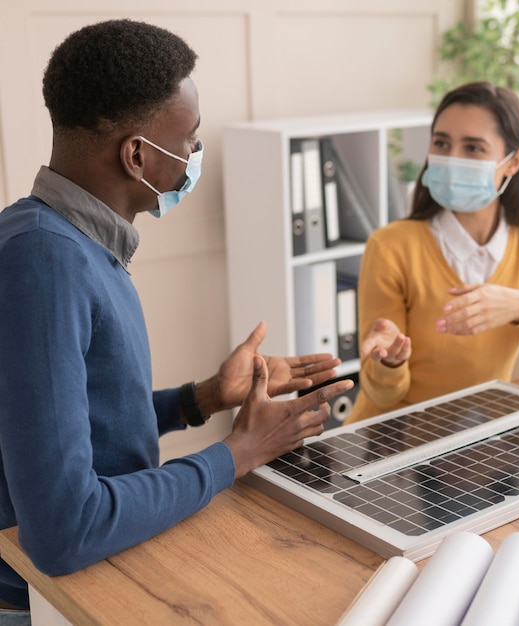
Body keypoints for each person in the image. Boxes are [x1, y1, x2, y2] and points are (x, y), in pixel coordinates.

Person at [0, 19, 354, 617]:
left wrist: (206, 397)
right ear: (136, 154)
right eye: (189, 138)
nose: (195, 153)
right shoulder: (46, 262)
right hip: (50, 602)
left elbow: (82, 424)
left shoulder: (67, 243)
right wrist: (238, 453)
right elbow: (65, 531)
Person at [345, 81, 519, 424]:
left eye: (473, 148)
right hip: (387, 442)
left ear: (513, 162)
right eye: (442, 143)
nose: (451, 158)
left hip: (472, 443)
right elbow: (383, 394)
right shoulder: (391, 245)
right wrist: (391, 361)